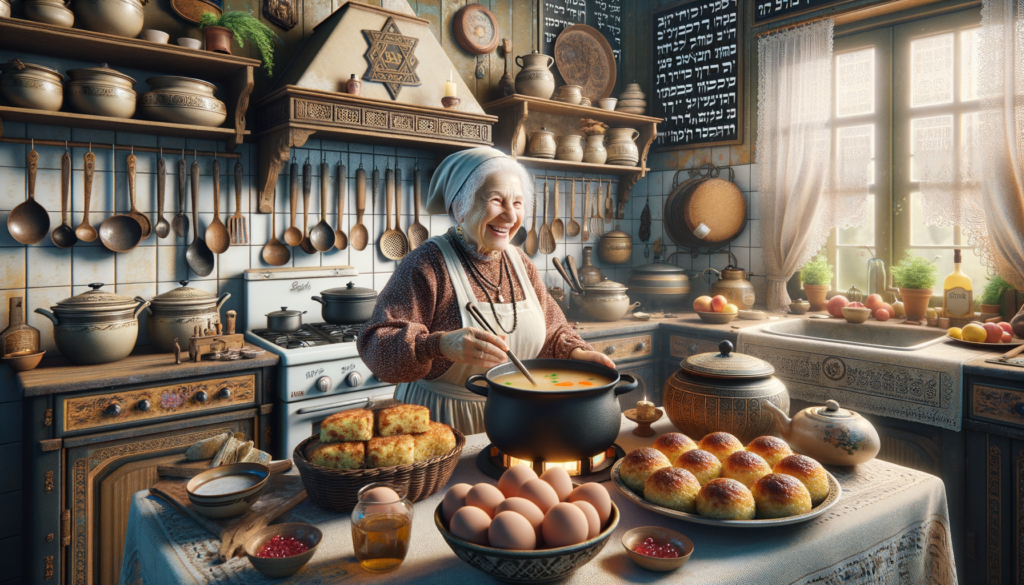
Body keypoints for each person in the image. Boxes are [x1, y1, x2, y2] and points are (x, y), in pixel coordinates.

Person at [357, 147, 614, 434]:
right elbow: (376, 348)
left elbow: (552, 331)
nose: (509, 215)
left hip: (516, 417)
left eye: (517, 203)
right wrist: (439, 345)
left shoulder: (521, 264)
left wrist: (577, 354)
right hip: (440, 423)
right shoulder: (427, 263)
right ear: (460, 207)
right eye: (496, 200)